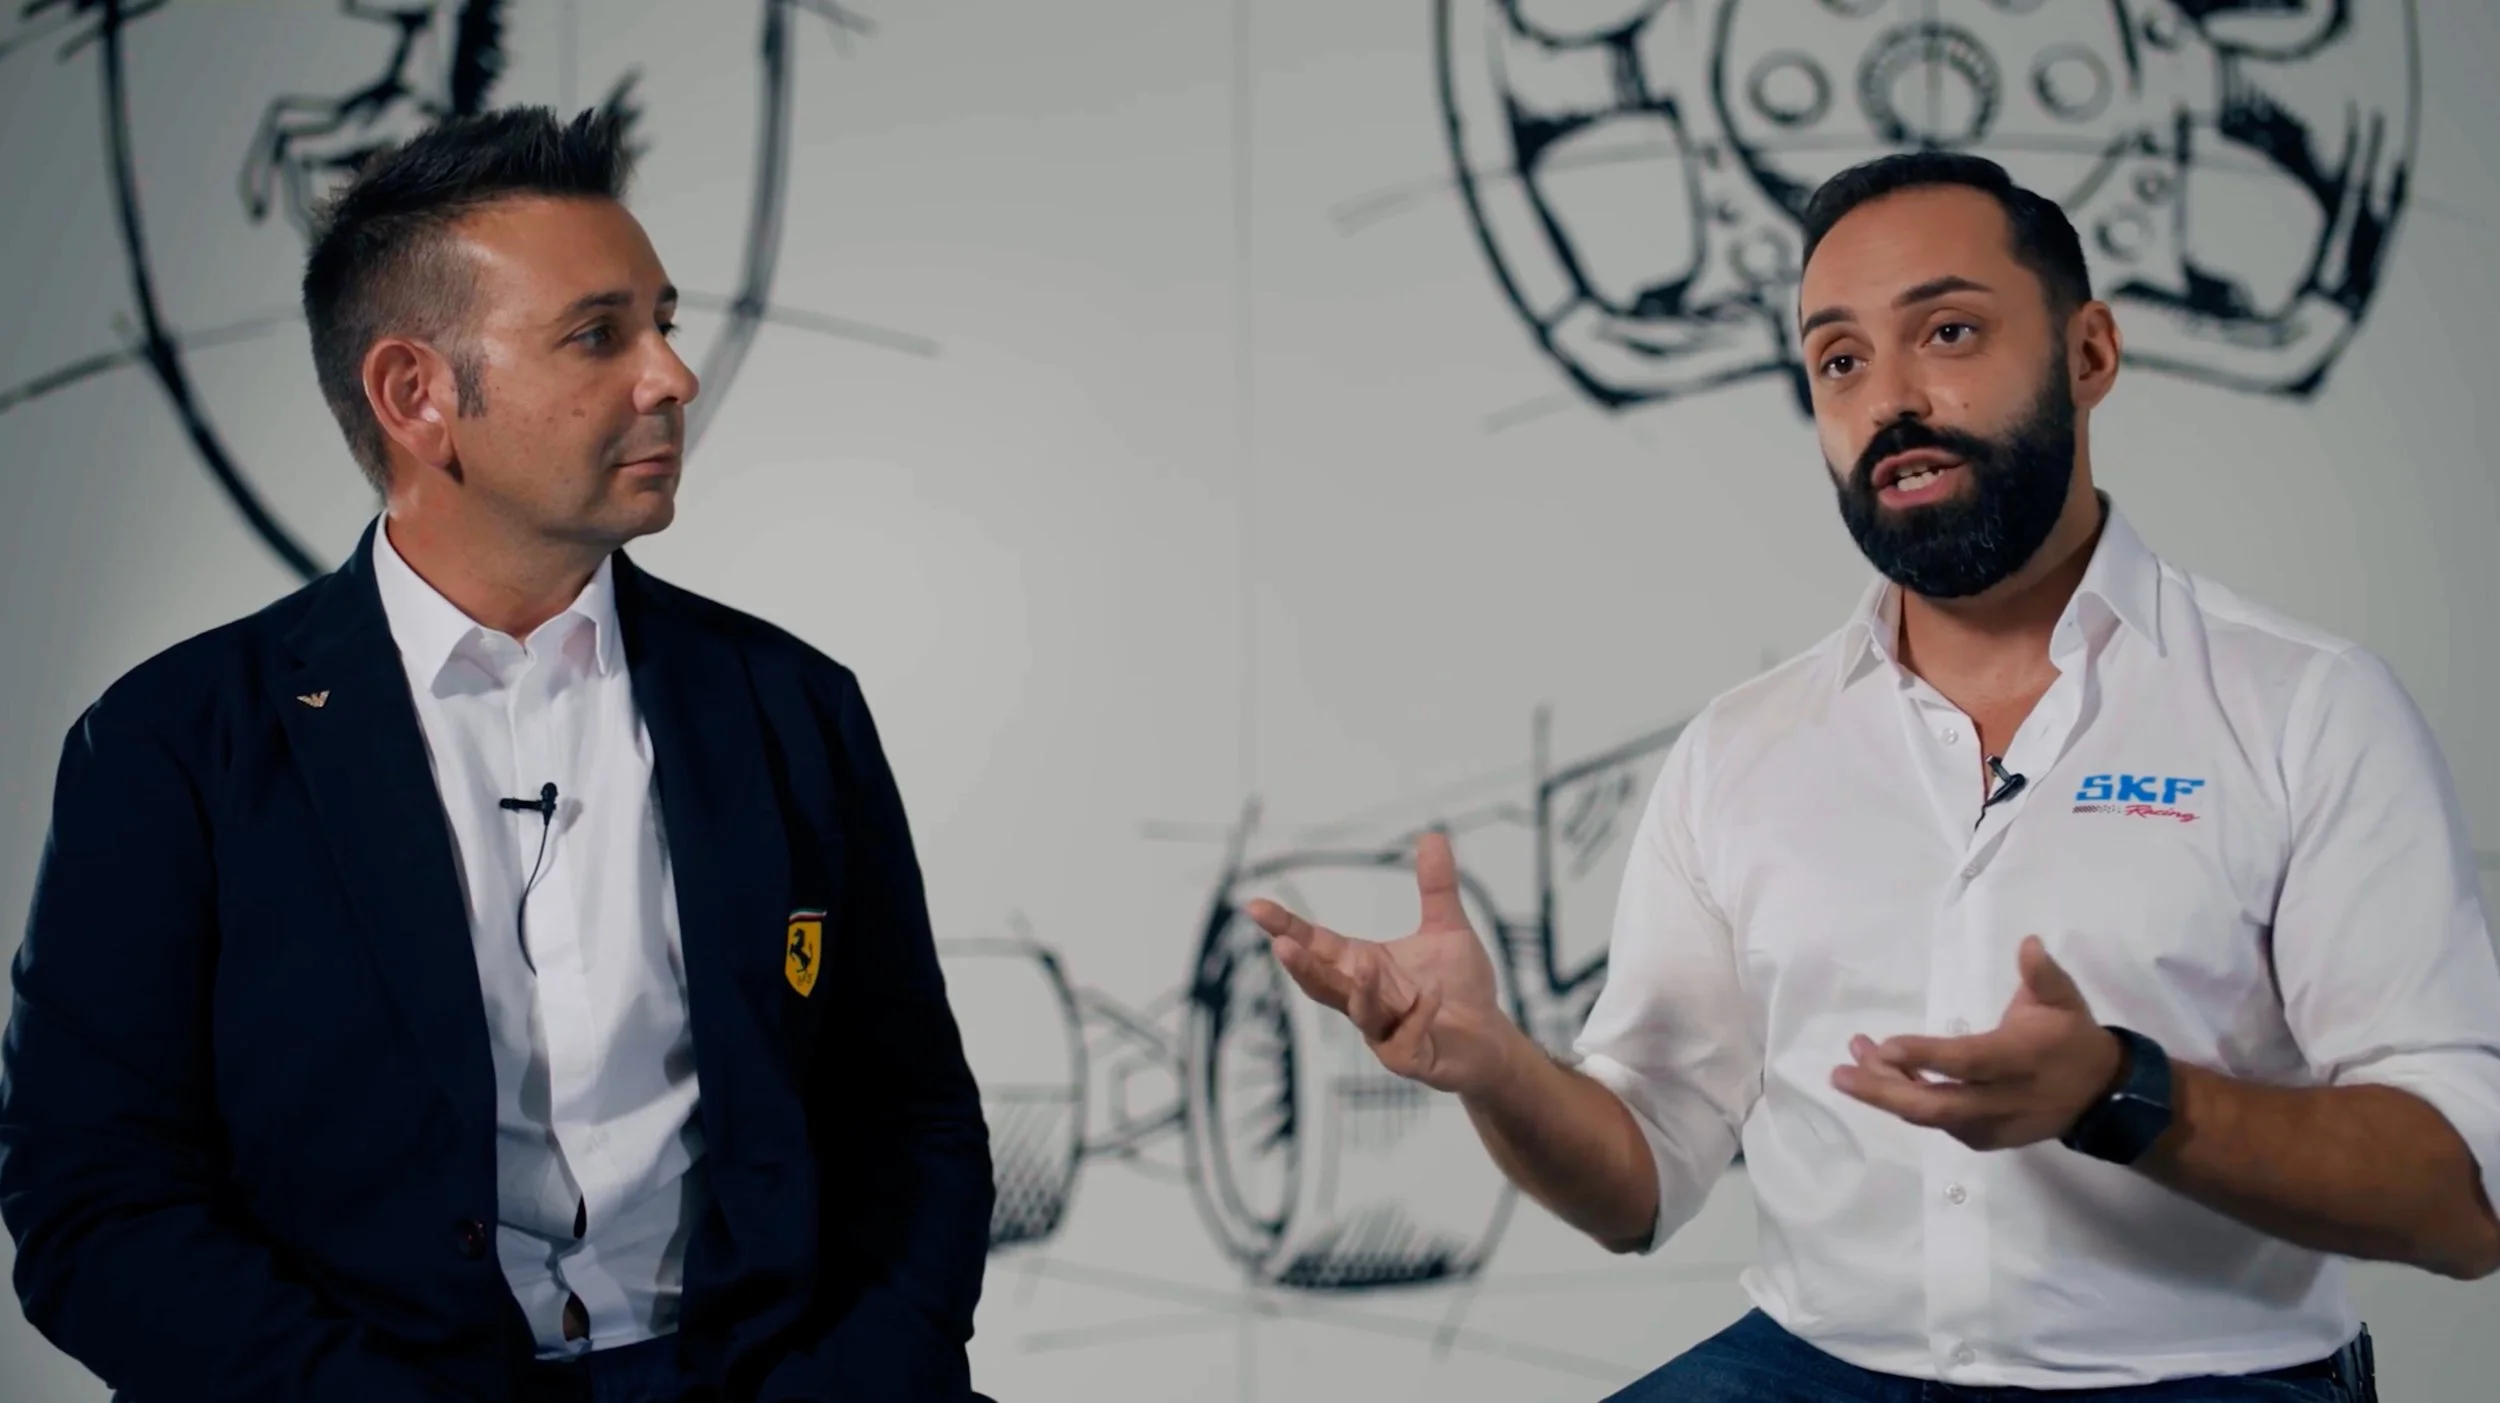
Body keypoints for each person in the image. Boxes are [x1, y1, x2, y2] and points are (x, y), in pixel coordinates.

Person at [1251, 151, 2500, 1400]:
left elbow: (2461, 1202)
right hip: (1814, 1364)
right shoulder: (1742, 748)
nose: (1889, 399)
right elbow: (1637, 1186)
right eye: (1839, 359)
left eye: (1947, 331)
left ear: (2089, 353)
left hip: (2194, 1374)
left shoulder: (2304, 708)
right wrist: (1492, 1066)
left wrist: (2119, 1091)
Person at [0, 106, 994, 1403]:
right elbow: (94, 1202)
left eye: (663, 323)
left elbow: (911, 1117)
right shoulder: (172, 743)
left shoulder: (790, 704)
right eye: (599, 334)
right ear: (415, 395)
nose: (672, 377)